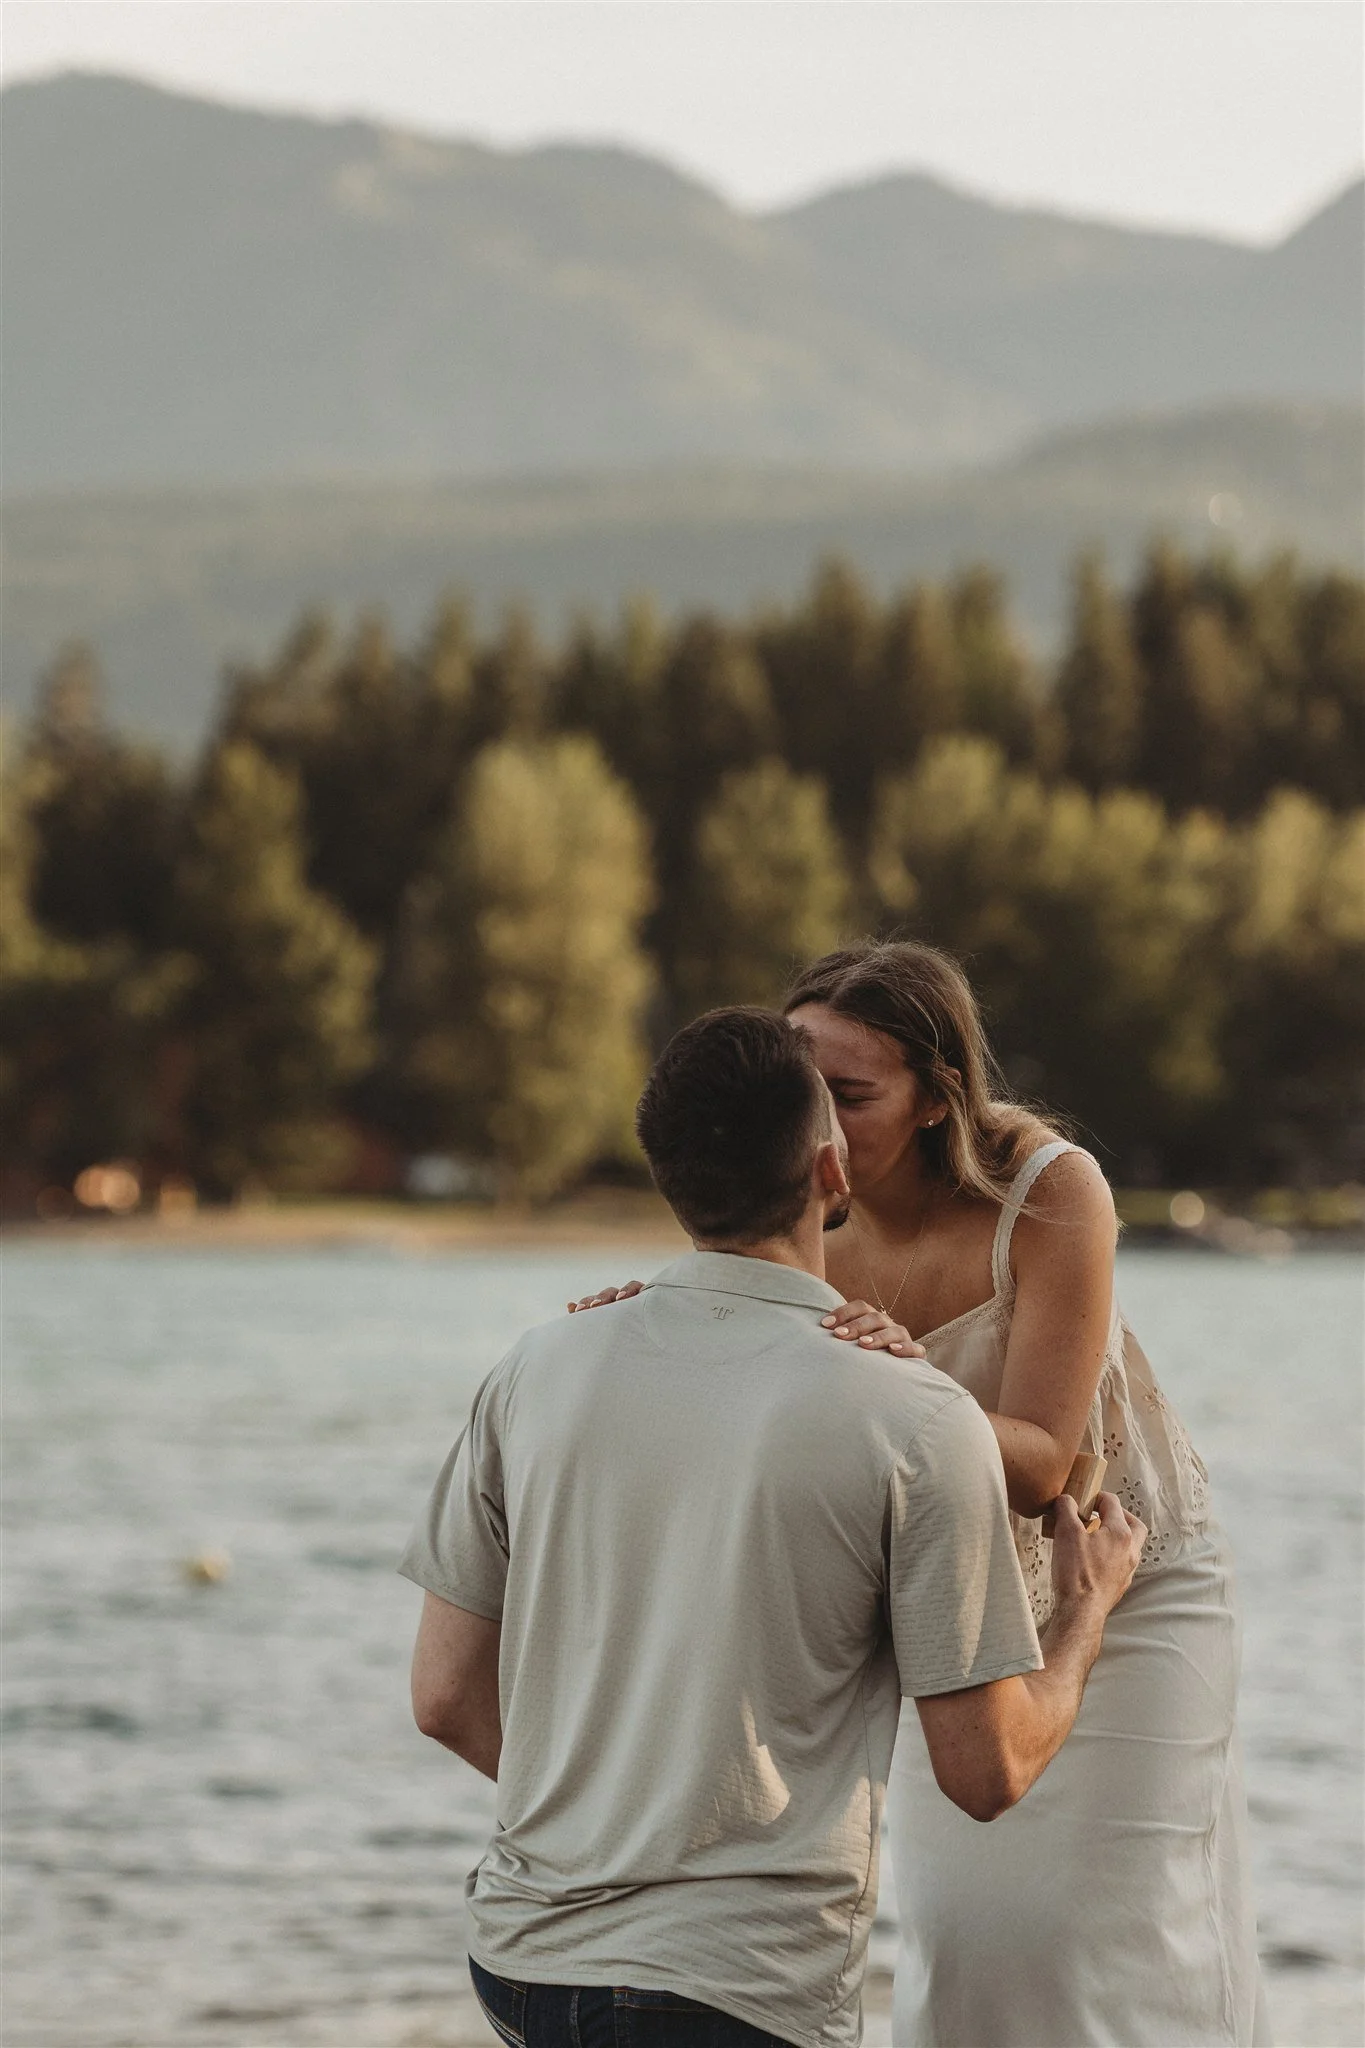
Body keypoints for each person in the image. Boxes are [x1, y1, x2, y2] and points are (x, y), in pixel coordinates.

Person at [402, 1007, 1145, 2048]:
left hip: (523, 1962)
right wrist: (1084, 1609)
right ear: (830, 1172)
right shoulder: (918, 1421)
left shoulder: (536, 1365)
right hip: (729, 1992)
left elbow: (442, 1696)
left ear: (666, 1179)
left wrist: (619, 1815)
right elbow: (986, 1771)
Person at [576, 945, 1269, 2047]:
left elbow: (1043, 1458)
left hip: (1121, 1577)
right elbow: (731, 1370)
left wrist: (895, 1383)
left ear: (939, 1096)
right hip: (956, 1606)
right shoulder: (798, 1215)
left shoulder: (1050, 1191)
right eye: (806, 1092)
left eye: (850, 1096)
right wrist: (639, 1318)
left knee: (1109, 1928)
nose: (819, 1127)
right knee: (967, 1934)